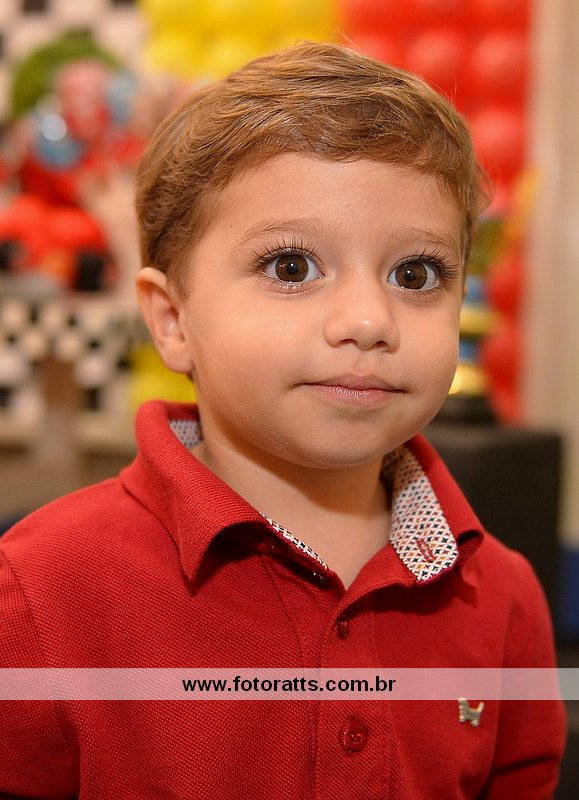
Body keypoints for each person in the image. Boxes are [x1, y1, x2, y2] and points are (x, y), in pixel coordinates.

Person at [0, 42, 565, 799]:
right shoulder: (39, 589)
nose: (368, 320)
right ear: (172, 321)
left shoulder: (503, 598)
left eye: (415, 273)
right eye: (291, 267)